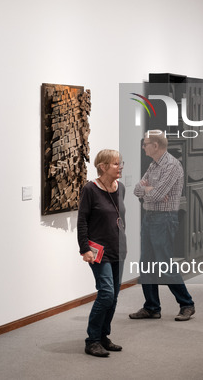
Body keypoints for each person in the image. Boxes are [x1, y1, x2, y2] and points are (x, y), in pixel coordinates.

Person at [129, 131, 195, 321]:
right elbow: (136, 189)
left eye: (145, 144)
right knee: (146, 264)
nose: (143, 147)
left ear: (155, 145)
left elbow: (158, 196)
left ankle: (187, 304)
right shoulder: (153, 165)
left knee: (164, 265)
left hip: (164, 218)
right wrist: (149, 189)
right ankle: (151, 307)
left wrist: (148, 190)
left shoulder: (172, 165)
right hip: (149, 217)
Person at [77, 149, 127, 357]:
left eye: (120, 163)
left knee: (113, 297)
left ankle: (103, 336)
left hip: (119, 248)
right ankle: (92, 340)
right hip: (99, 251)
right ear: (103, 166)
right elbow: (82, 221)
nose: (120, 167)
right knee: (106, 293)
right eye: (116, 164)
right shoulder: (90, 189)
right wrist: (84, 249)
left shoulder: (120, 188)